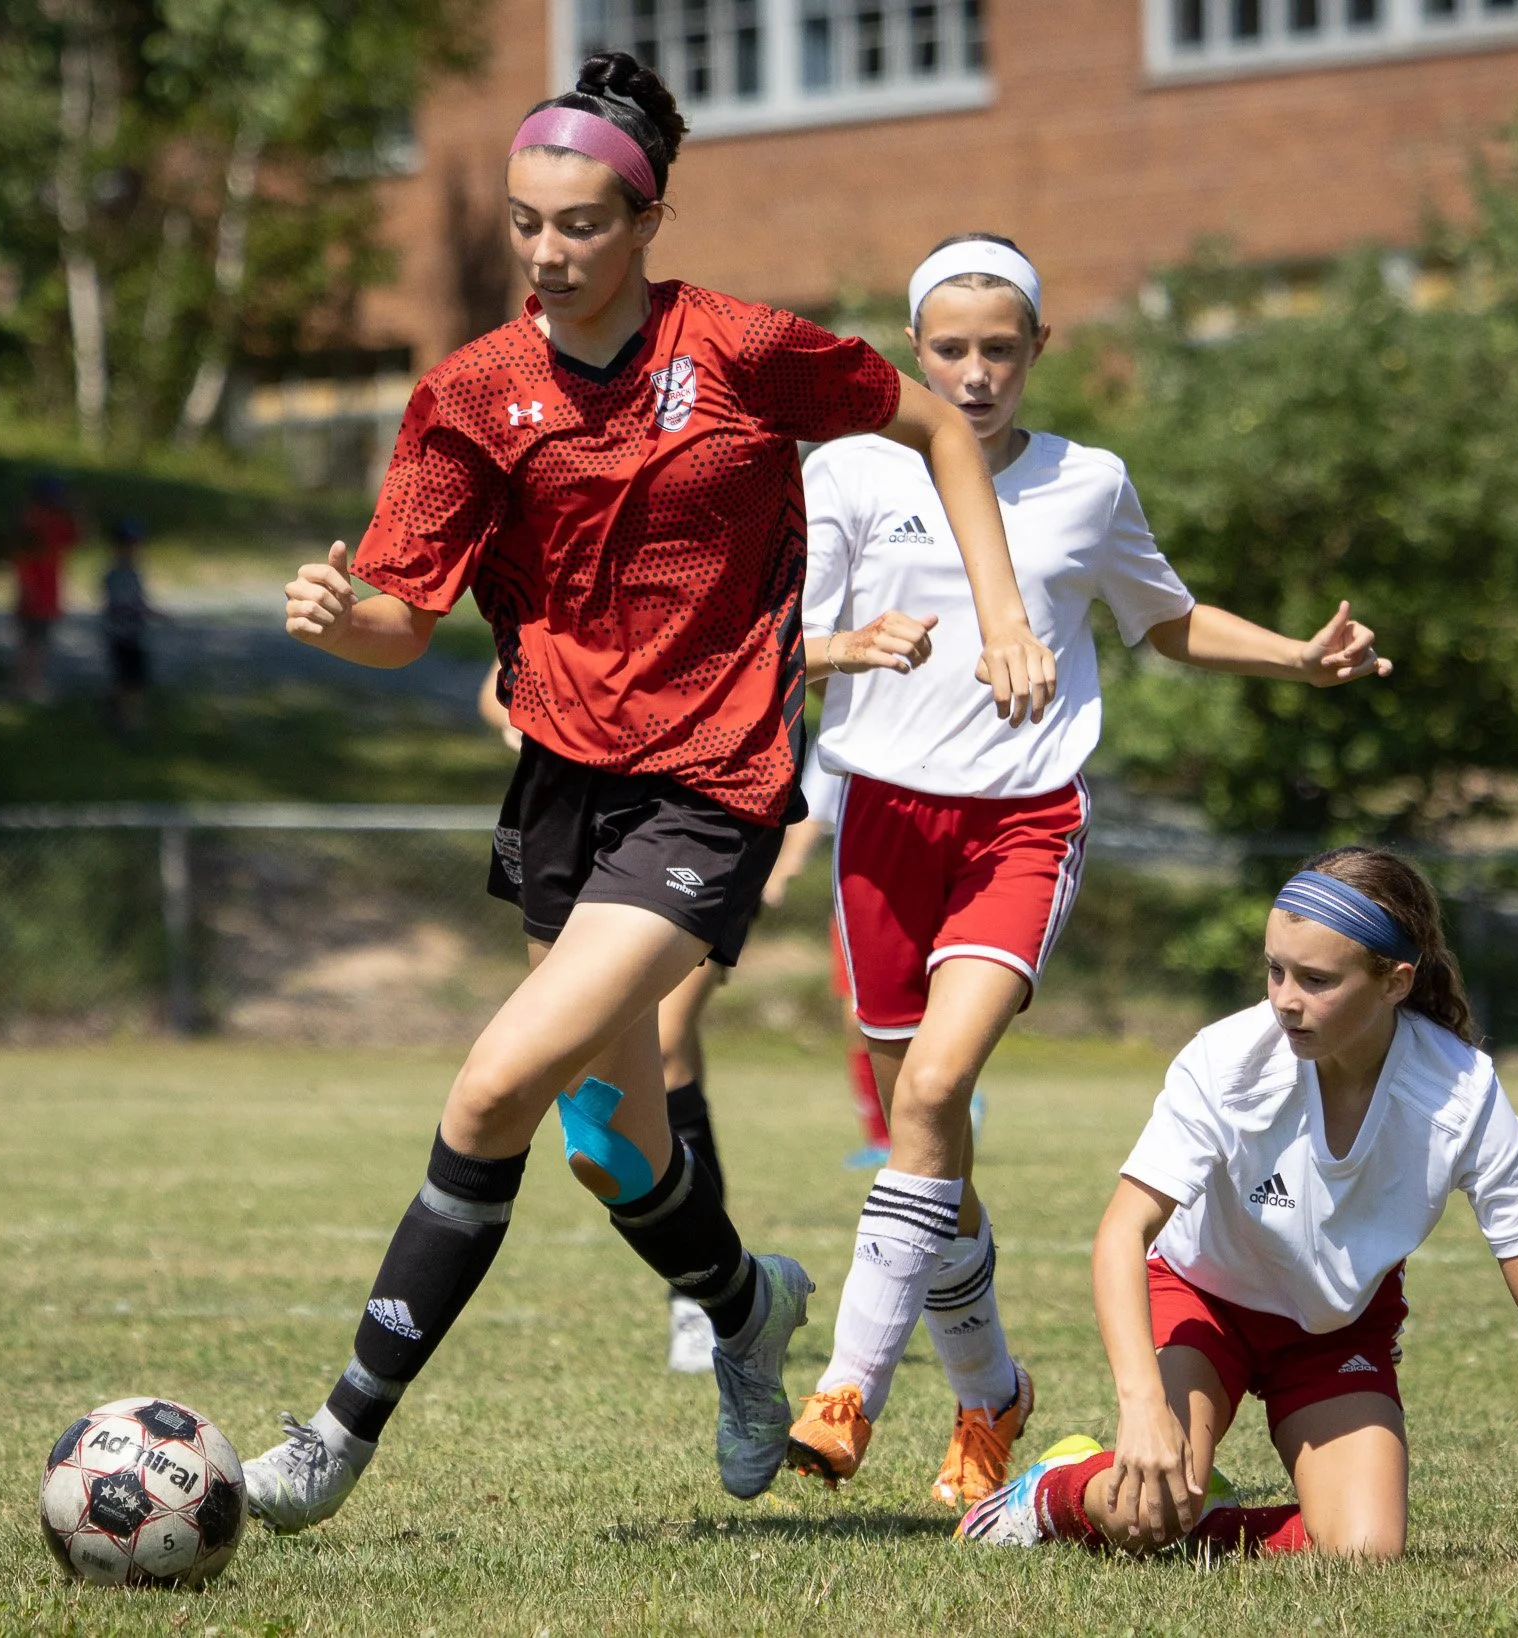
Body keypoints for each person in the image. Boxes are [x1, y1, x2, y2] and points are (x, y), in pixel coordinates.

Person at [246, 53, 1061, 1532]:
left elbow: (940, 425)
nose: (548, 253)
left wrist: (1002, 615)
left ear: (645, 222)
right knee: (613, 1145)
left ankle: (333, 1437)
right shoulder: (468, 394)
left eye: (579, 225)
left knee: (492, 1089)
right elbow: (401, 622)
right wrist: (334, 615)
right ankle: (748, 1309)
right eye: (525, 224)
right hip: (564, 787)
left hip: (713, 785)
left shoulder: (746, 350)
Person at [785, 234, 1391, 1512]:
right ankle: (990, 1392)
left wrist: (1295, 657)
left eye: (999, 349)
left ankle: (845, 1390)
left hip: (1020, 823)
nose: (974, 373)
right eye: (950, 349)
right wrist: (850, 647)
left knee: (933, 1089)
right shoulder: (847, 467)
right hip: (879, 824)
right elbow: (781, 639)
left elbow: (1164, 620)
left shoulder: (1087, 481)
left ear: (1038, 350)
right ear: (912, 350)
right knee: (925, 1134)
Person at [956, 847, 1518, 1575]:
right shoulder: (1228, 1060)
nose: (1285, 999)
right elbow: (1123, 1231)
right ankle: (1048, 1493)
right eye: (1275, 970)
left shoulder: (1462, 1095)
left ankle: (1205, 1517)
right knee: (1142, 1511)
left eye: (1316, 980)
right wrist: (1143, 1404)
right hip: (1201, 1301)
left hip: (1335, 1329)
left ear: (1395, 982)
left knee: (1363, 1554)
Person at [481, 654, 728, 1375]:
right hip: (577, 817)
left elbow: (782, 666)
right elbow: (497, 686)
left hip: (698, 820)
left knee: (670, 1040)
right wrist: (540, 722)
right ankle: (728, 1282)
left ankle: (702, 1304)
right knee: (596, 1137)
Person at [13, 474, 79, 701]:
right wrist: (28, 590)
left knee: (38, 643)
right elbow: (21, 561)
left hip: (49, 593)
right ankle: (25, 687)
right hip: (35, 594)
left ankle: (30, 684)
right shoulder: (30, 521)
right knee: (33, 643)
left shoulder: (54, 522)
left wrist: (77, 512)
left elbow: (77, 537)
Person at [101, 518, 156, 735]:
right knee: (127, 680)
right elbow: (119, 605)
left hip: (134, 633)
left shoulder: (135, 572)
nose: (132, 549)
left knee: (137, 680)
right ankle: (124, 722)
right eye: (126, 544)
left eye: (135, 544)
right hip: (121, 634)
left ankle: (127, 717)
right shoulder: (115, 574)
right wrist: (141, 611)